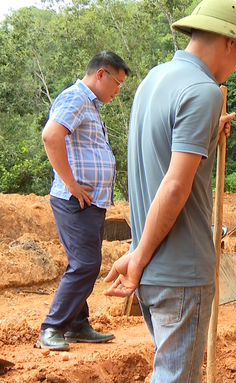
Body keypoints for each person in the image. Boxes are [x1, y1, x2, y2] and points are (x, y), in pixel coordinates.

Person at [102, 0, 236, 381]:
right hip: (180, 272)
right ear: (229, 43)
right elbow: (174, 186)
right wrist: (138, 257)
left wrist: (210, 133)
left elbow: (159, 158)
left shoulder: (152, 81)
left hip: (154, 270)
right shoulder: (204, 91)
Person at [37, 51, 130, 351]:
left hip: (90, 202)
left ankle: (77, 324)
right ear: (100, 74)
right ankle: (52, 327)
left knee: (84, 262)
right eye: (117, 82)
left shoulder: (90, 104)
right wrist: (71, 184)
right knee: (86, 264)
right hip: (75, 200)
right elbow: (51, 135)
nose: (117, 90)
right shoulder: (76, 98)